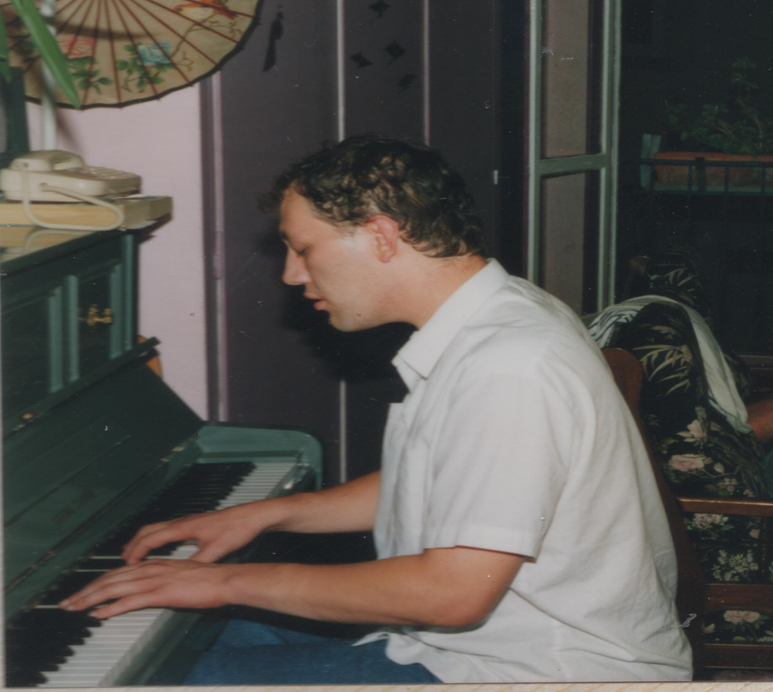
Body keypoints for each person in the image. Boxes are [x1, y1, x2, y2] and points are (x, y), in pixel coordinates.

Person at [61, 135, 693, 684]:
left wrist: (224, 581)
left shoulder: (509, 366)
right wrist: (267, 514)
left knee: (167, 676)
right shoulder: (502, 314)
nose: (291, 275)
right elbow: (444, 480)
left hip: (543, 671)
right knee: (194, 638)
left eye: (303, 249)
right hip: (475, 648)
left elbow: (452, 596)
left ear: (382, 236)